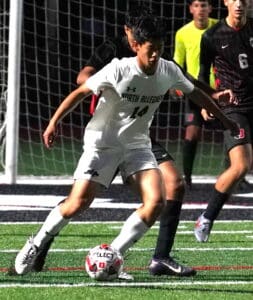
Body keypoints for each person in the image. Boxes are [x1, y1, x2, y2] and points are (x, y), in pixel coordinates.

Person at [14, 14, 237, 279]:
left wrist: (224, 120)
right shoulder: (118, 68)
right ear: (136, 47)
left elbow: (196, 93)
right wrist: (53, 123)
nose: (155, 56)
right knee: (77, 203)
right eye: (150, 50)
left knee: (156, 201)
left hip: (137, 145)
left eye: (160, 48)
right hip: (103, 143)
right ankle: (37, 243)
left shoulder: (167, 69)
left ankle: (114, 256)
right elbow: (79, 92)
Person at [77, 6, 197, 277]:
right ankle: (41, 246)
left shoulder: (156, 54)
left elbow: (184, 83)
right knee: (77, 202)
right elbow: (83, 78)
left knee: (175, 185)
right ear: (128, 33)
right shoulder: (113, 51)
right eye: (133, 33)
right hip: (108, 134)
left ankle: (160, 257)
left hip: (139, 135)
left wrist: (189, 92)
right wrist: (104, 84)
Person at [194, 0, 253, 242]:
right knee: (241, 166)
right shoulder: (212, 35)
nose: (239, 4)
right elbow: (201, 73)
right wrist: (206, 102)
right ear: (225, 2)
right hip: (233, 107)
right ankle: (206, 218)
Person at [173, 0, 218, 189]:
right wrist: (175, 84)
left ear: (210, 8)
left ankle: (236, 176)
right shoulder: (183, 33)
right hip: (195, 92)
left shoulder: (220, 27)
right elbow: (177, 61)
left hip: (220, 90)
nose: (201, 9)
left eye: (204, 5)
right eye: (197, 5)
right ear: (191, 9)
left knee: (233, 131)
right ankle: (188, 178)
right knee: (191, 134)